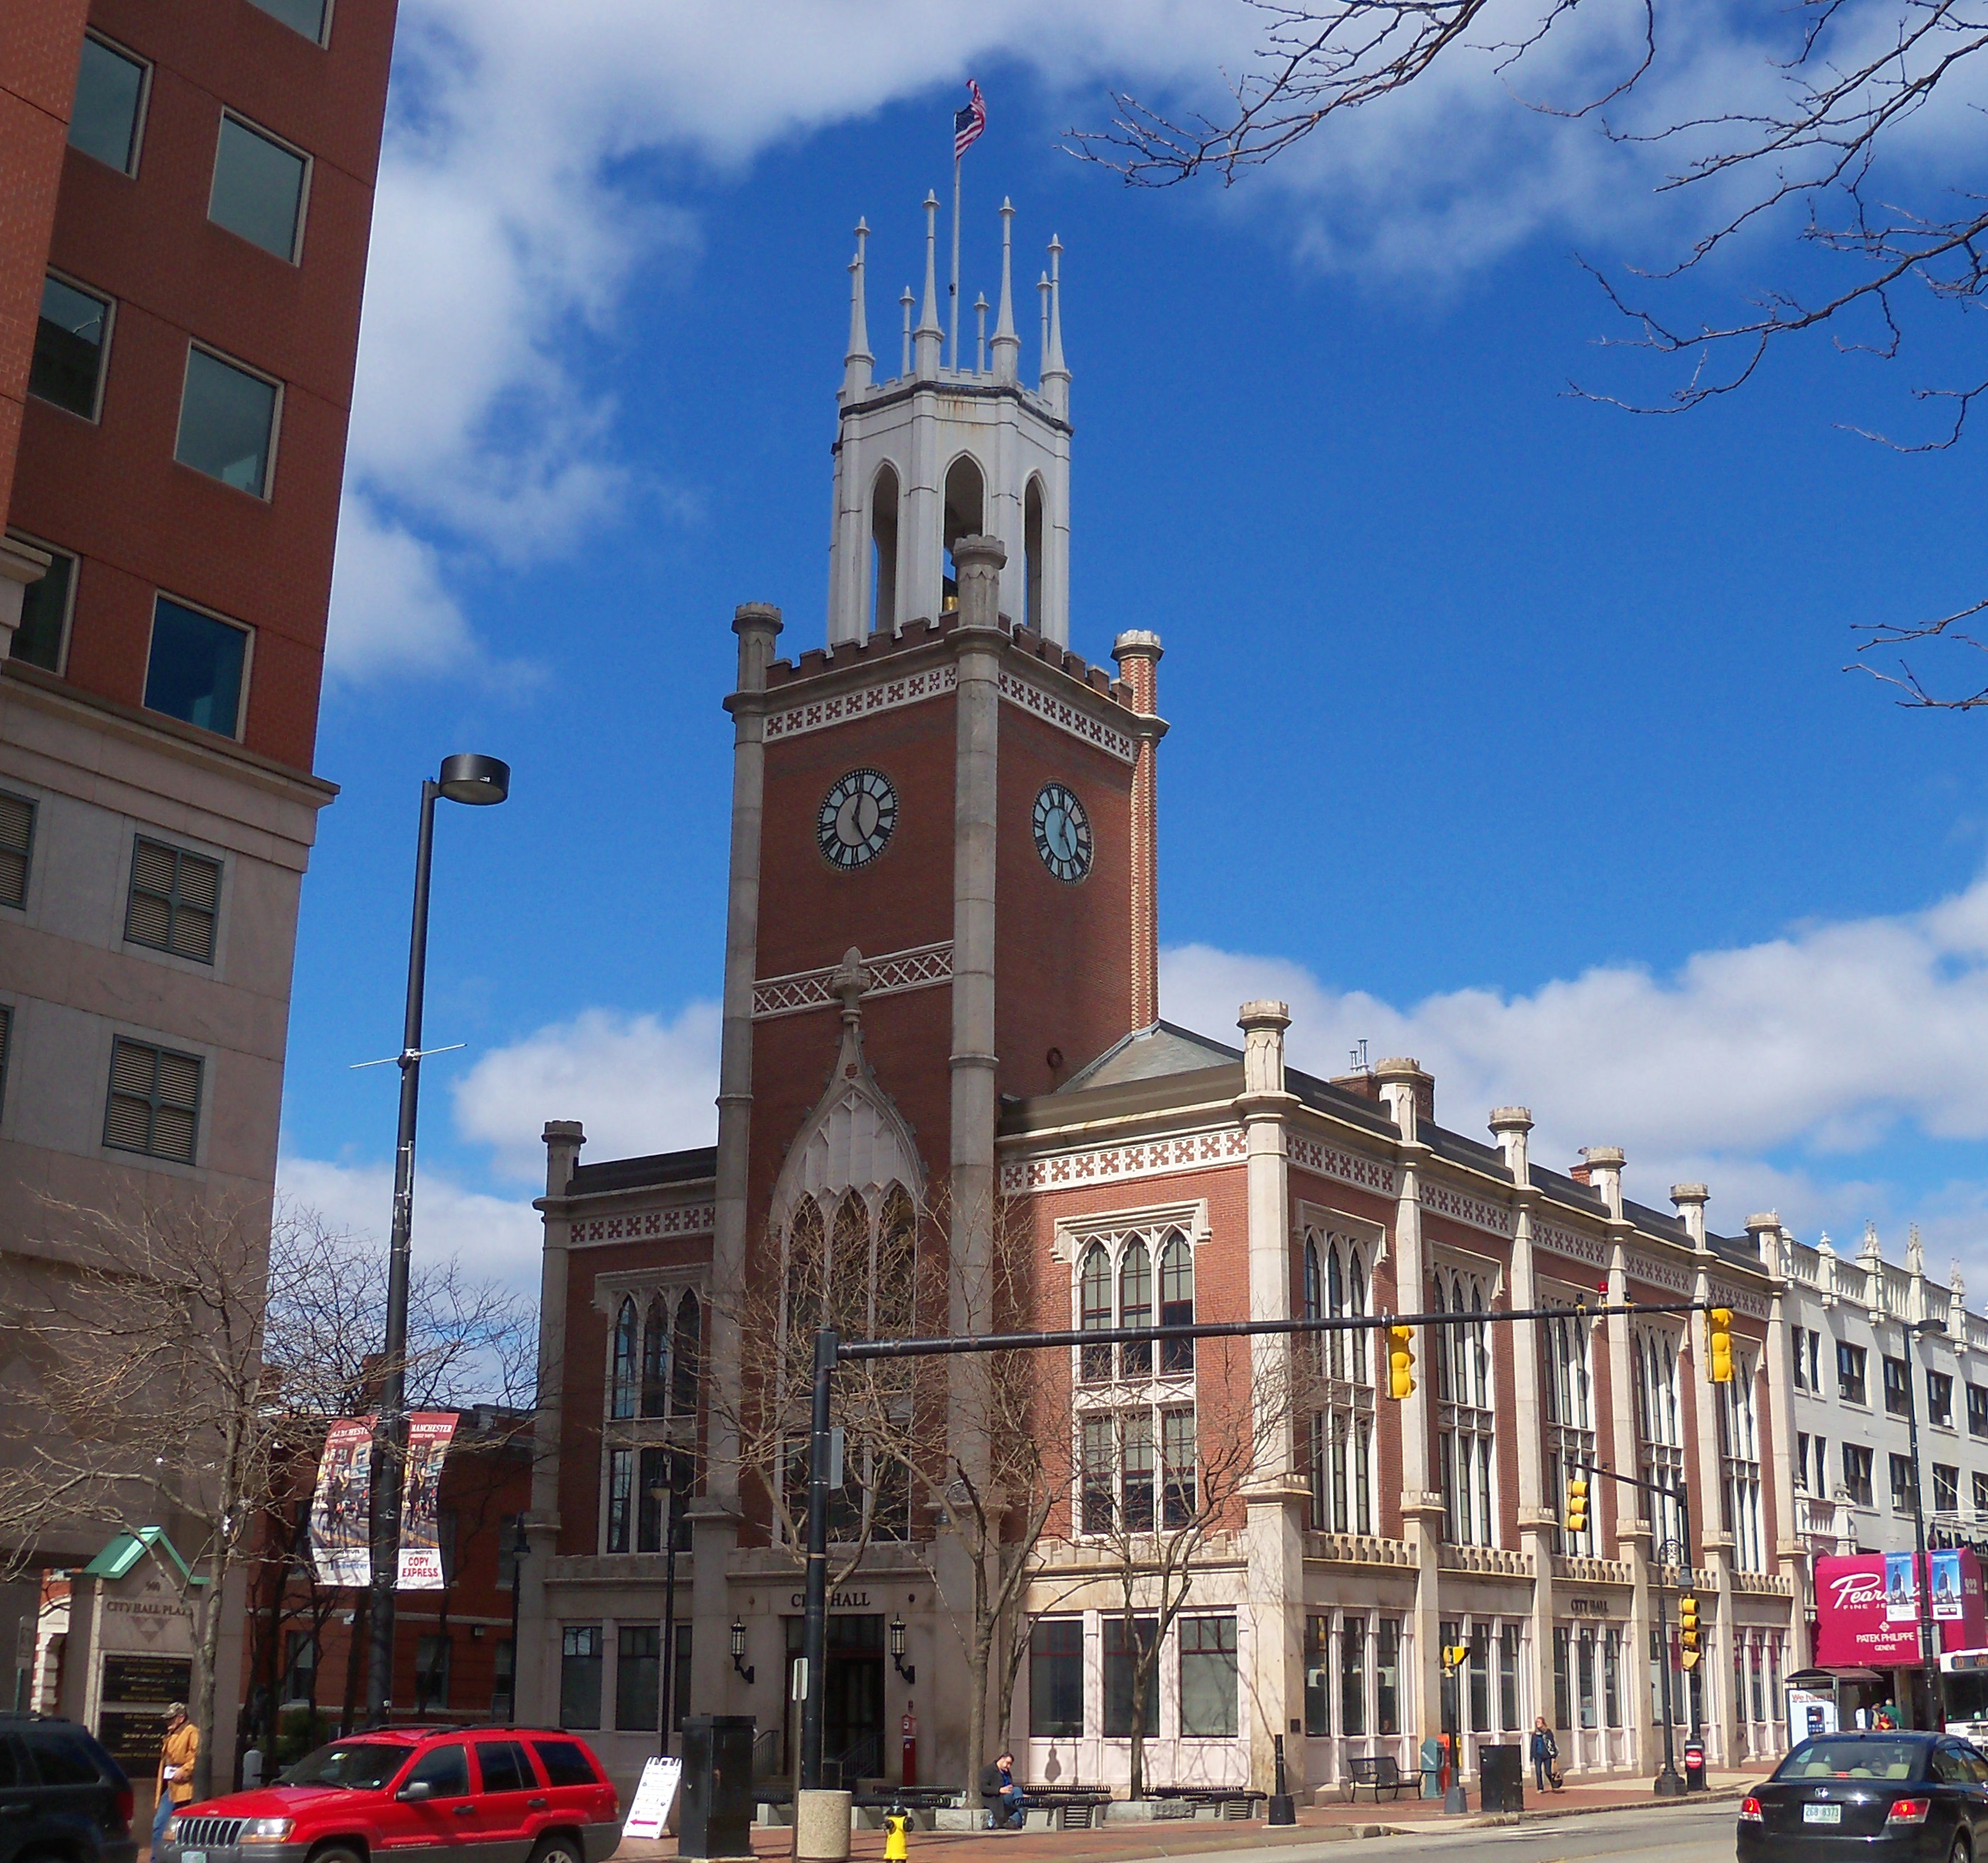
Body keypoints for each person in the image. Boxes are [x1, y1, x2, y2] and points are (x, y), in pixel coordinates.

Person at [154, 1703, 199, 1848]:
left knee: (180, 1829)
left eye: (171, 1719)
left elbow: (196, 1756)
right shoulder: (171, 1735)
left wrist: (184, 1770)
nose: (168, 1722)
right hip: (171, 1787)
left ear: (181, 1718)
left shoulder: (191, 1732)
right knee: (159, 1826)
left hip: (185, 1789)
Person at [978, 1752, 1025, 1830]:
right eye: (1008, 1763)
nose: (1009, 1766)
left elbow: (1010, 1785)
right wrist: (999, 1790)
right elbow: (983, 1788)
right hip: (998, 1798)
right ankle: (1024, 1815)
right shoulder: (988, 1770)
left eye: (1010, 1764)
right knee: (1017, 1791)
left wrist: (1021, 1795)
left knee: (1023, 1799)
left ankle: (1012, 1821)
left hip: (1009, 1795)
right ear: (1002, 1759)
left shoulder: (1006, 1772)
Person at [1529, 1717, 1560, 1794]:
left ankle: (1553, 1784)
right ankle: (1540, 1788)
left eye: (1539, 1722)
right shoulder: (1535, 1734)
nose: (1538, 1723)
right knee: (1538, 1772)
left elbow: (1552, 1743)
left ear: (1543, 1723)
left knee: (1548, 1772)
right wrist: (1531, 1755)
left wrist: (1553, 1755)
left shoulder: (1548, 1732)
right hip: (1538, 1755)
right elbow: (1533, 1745)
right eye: (1537, 1722)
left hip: (1547, 1755)